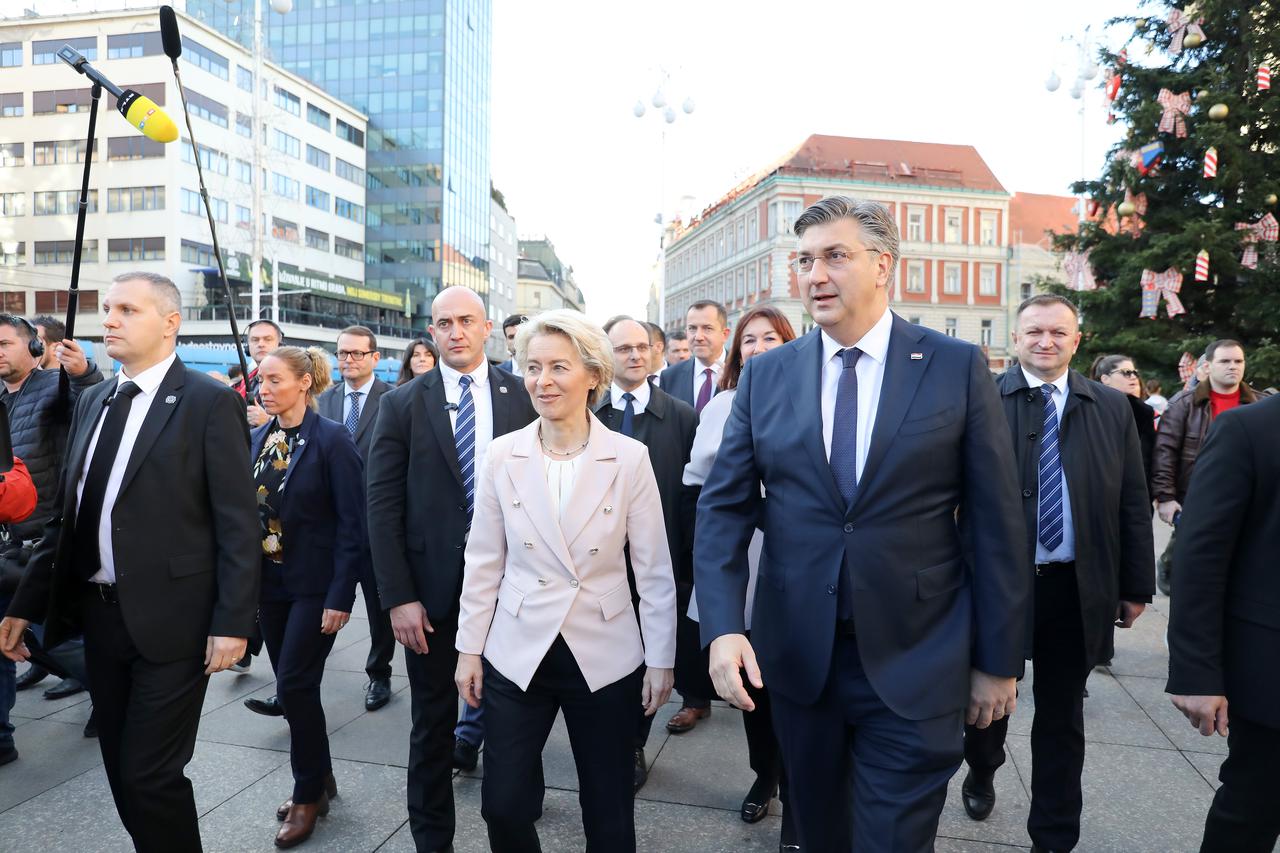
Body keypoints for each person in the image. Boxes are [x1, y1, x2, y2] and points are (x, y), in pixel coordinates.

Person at [694, 196, 1028, 853]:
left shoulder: (953, 367)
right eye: (805, 260)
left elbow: (996, 521)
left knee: (892, 838)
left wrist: (998, 659)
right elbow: (724, 508)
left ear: (884, 265)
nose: (814, 274)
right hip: (799, 659)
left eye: (834, 256)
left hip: (918, 655)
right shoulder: (766, 377)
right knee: (818, 832)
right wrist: (724, 626)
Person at [0, 271, 259, 852]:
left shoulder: (208, 401)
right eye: (107, 308)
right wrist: (26, 605)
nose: (109, 320)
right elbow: (68, 517)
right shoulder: (95, 399)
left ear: (170, 324)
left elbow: (238, 524)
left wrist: (233, 622)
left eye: (127, 310)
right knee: (120, 766)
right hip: (101, 618)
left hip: (177, 621)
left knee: (151, 773)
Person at [454, 309, 676, 852]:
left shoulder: (628, 458)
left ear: (592, 375)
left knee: (607, 807)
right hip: (518, 645)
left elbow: (653, 568)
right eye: (532, 368)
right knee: (501, 804)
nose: (542, 381)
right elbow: (483, 558)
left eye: (558, 367)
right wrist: (468, 649)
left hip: (603, 650)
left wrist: (662, 658)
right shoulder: (501, 454)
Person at [960, 297, 1154, 852]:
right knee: (988, 704)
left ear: (1077, 339)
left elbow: (1133, 501)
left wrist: (1134, 583)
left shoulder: (1113, 409)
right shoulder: (982, 401)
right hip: (999, 586)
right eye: (1034, 332)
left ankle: (1053, 835)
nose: (1045, 341)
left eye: (1058, 332)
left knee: (1062, 715)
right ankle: (984, 767)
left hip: (1074, 584)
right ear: (1015, 338)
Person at [367, 285, 536, 853]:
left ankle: (514, 828)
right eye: (444, 323)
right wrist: (398, 597)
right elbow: (383, 506)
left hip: (516, 592)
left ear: (487, 328)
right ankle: (431, 840)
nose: (455, 332)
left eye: (466, 321)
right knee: (432, 726)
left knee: (517, 723)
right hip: (431, 599)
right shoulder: (401, 404)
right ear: (431, 332)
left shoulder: (524, 395)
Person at [683, 303, 797, 842]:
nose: (758, 349)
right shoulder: (724, 404)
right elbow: (703, 475)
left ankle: (800, 786)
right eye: (749, 341)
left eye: (770, 339)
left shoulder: (811, 394)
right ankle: (764, 776)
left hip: (800, 555)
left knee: (797, 674)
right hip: (744, 550)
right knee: (752, 679)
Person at [249, 346, 364, 848]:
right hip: (269, 583)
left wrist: (341, 595)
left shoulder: (333, 439)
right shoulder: (258, 438)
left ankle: (305, 795)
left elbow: (353, 524)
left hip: (315, 587)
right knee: (295, 686)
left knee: (294, 686)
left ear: (304, 383)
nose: (264, 388)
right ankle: (321, 776)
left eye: (275, 380)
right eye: (260, 381)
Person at [1166, 393, 1280, 853]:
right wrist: (1196, 673)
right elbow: (1200, 558)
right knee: (1251, 813)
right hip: (1270, 675)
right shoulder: (1249, 430)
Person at [594, 315, 697, 791]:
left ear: (656, 352)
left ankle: (634, 743)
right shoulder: (588, 413)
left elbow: (693, 499)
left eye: (642, 346)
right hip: (599, 566)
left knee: (649, 660)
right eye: (623, 348)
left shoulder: (681, 416)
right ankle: (603, 738)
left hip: (661, 564)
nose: (635, 355)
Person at [0, 314, 104, 731]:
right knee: (5, 641)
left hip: (45, 541)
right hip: (7, 540)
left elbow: (95, 403)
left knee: (53, 640)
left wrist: (84, 373)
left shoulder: (55, 385)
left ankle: (113, 692)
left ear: (34, 349)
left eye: (5, 343)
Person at [320, 327, 395, 713]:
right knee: (323, 602)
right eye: (342, 354)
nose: (348, 360)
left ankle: (379, 674)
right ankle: (298, 679)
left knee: (380, 607)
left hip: (375, 522)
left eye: (356, 354)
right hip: (332, 524)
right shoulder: (324, 399)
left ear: (374, 357)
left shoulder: (394, 400)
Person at [1151, 340, 1260, 597]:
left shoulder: (1260, 403)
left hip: (1248, 499)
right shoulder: (1183, 404)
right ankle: (1172, 572)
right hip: (1196, 497)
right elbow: (1165, 452)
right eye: (1225, 361)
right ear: (1208, 366)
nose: (1233, 367)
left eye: (1238, 361)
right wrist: (1165, 497)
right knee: (1193, 567)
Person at [1092, 353, 1157, 501]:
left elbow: (1148, 458)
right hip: (1095, 494)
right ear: (1105, 379)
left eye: (1135, 372)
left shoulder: (1144, 412)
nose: (1133, 377)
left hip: (1135, 494)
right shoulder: (1088, 408)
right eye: (1126, 373)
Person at [659, 302, 730, 418]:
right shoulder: (670, 377)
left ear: (725, 334)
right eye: (692, 328)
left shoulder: (742, 372)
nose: (698, 337)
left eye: (707, 328)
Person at [237, 318, 285, 428]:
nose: (261, 344)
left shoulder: (293, 380)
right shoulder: (241, 385)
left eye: (268, 339)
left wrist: (268, 421)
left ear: (280, 344)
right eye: (255, 340)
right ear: (247, 346)